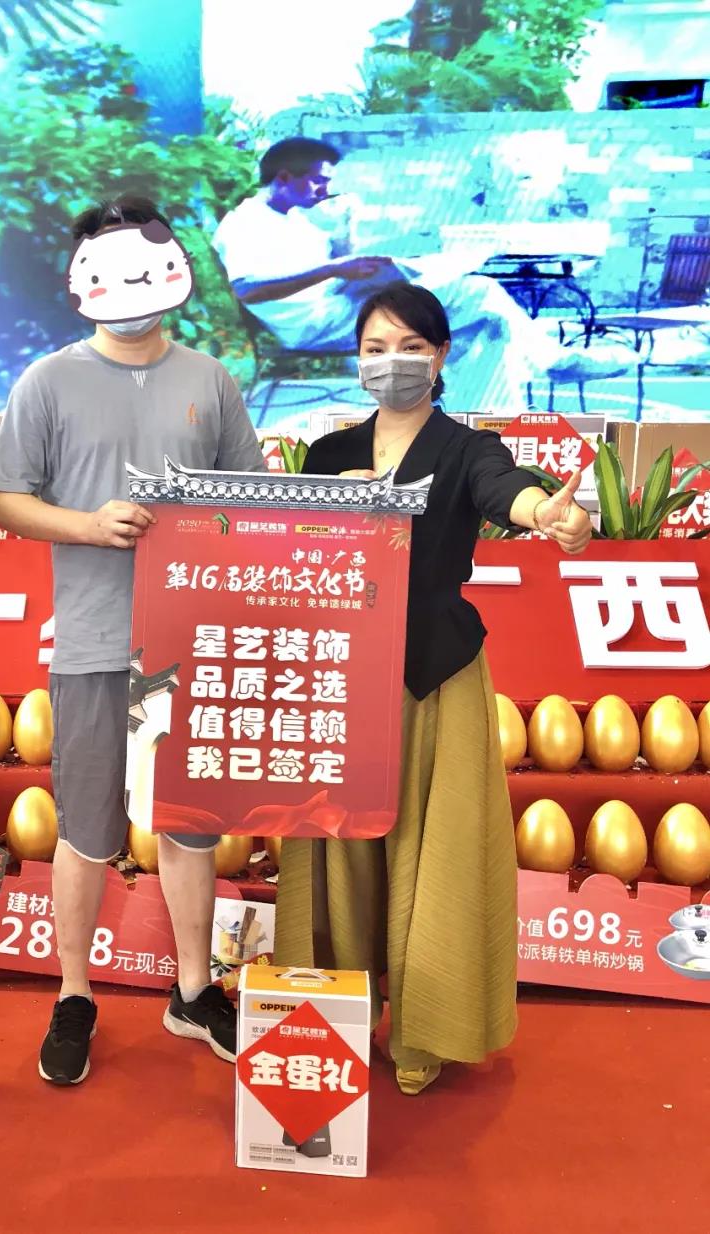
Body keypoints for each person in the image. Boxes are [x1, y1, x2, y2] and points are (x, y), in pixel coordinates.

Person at [273, 283, 592, 1096]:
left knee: (434, 851)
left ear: (442, 355)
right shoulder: (329, 454)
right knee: (338, 853)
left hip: (432, 676)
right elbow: (292, 554)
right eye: (375, 350)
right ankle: (342, 1010)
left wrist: (547, 514)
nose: (393, 364)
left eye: (410, 348)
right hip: (339, 677)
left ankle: (426, 1029)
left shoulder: (465, 449)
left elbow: (507, 489)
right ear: (357, 360)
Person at [0, 195, 267, 1086]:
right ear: (83, 280)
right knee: (87, 827)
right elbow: (2, 499)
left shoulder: (211, 380)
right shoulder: (47, 381)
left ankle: (193, 990)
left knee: (190, 827)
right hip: (95, 643)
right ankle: (74, 995)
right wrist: (86, 524)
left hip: (192, 643)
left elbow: (254, 498)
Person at [212, 137, 595, 414]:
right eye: (319, 180)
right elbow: (247, 290)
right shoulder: (245, 223)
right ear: (283, 177)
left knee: (487, 327)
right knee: (478, 291)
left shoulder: (295, 217)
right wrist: (334, 269)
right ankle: (554, 362)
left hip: (342, 304)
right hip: (315, 323)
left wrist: (347, 238)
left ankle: (490, 423)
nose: (325, 190)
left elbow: (336, 268)